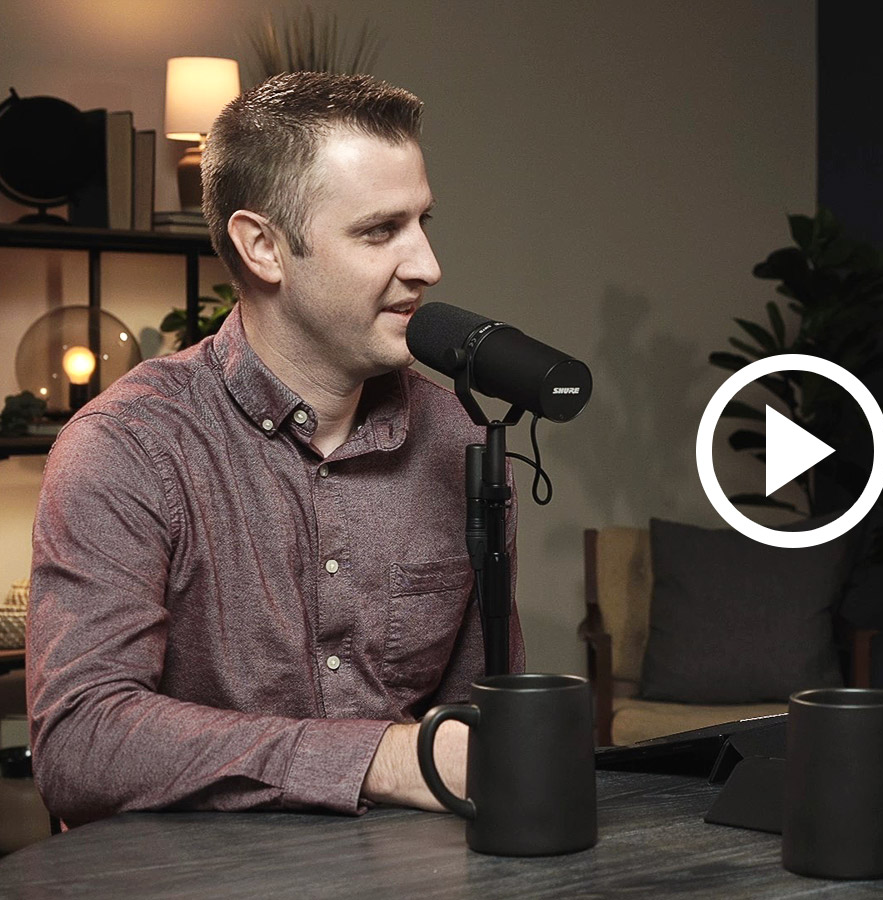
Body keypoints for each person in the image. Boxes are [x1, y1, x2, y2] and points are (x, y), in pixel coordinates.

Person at [25, 72, 522, 825]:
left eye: (422, 221)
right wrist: (382, 758)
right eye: (379, 230)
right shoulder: (125, 449)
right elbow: (79, 743)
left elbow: (475, 742)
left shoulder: (462, 441)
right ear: (263, 248)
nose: (427, 265)